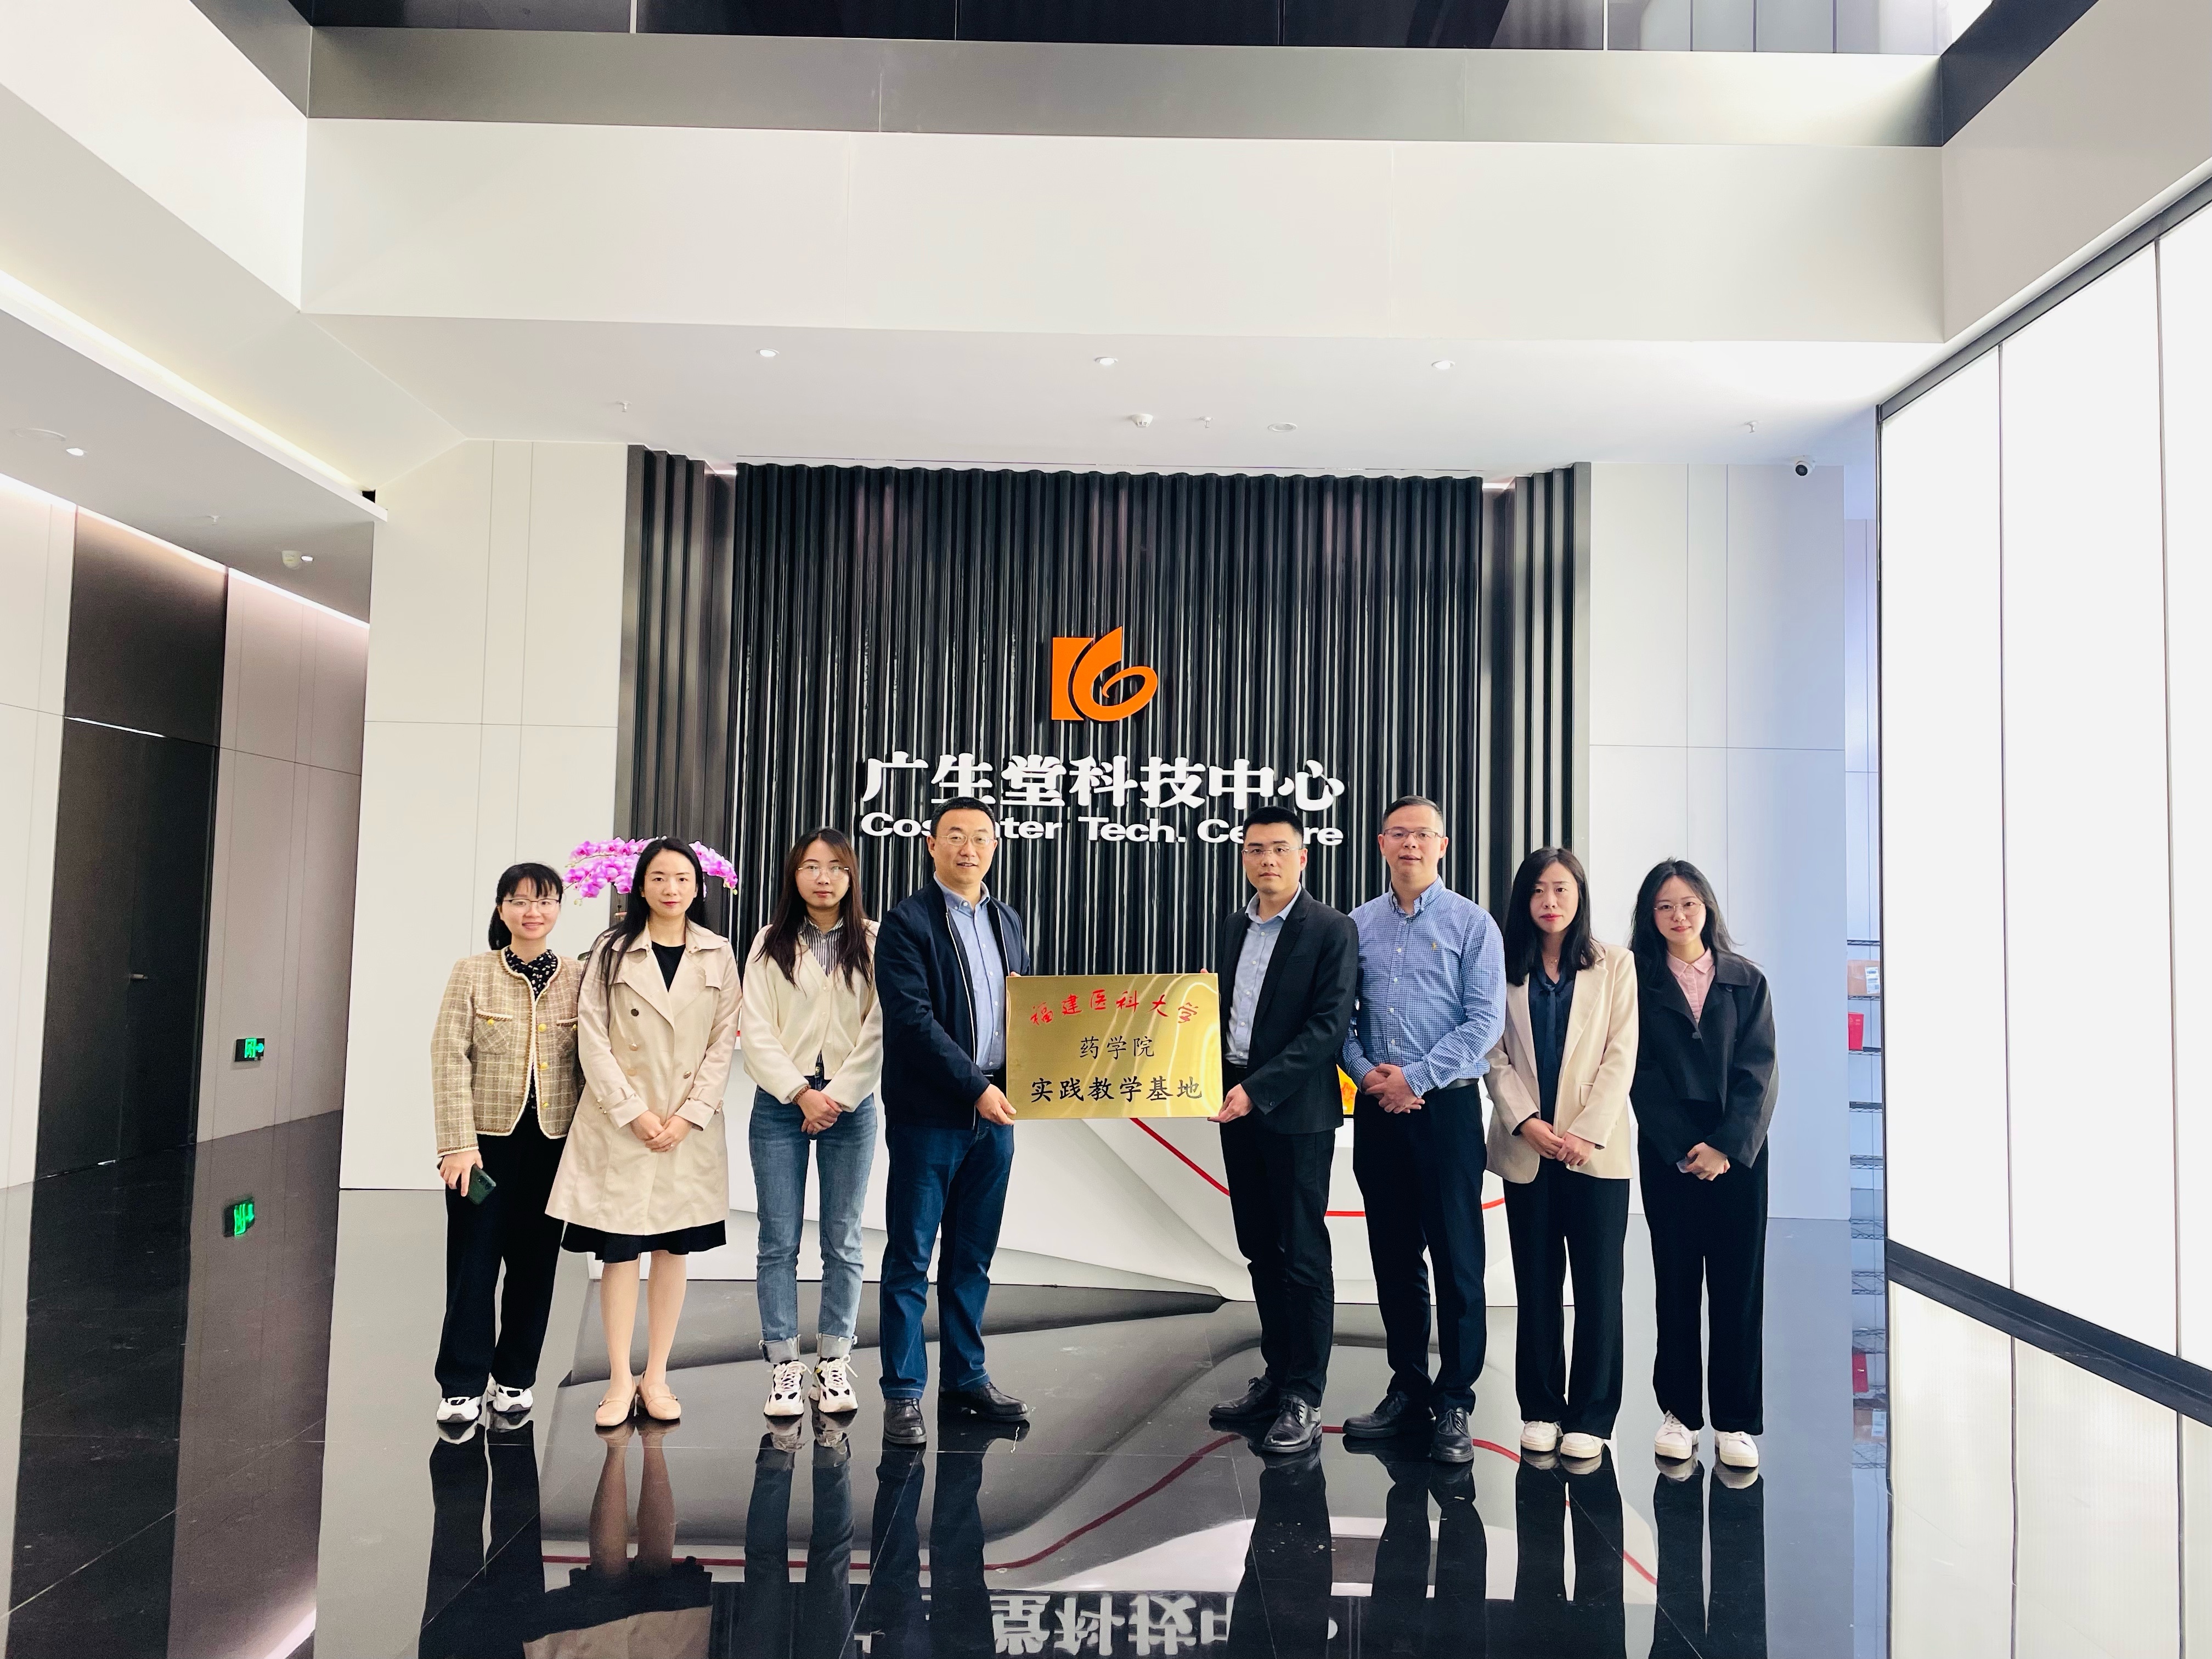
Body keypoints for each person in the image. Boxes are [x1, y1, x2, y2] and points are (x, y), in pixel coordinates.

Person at [549, 838, 742, 1430]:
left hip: (685, 1126)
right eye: (659, 877)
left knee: (672, 1250)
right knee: (619, 1252)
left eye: (682, 878)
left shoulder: (718, 952)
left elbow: (723, 1042)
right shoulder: (611, 951)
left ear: (698, 887)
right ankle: (617, 1379)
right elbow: (592, 1037)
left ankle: (656, 1376)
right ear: (640, 885)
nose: (671, 889)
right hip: (621, 1125)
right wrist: (632, 1110)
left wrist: (689, 1115)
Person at [1340, 795, 1507, 1465]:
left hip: (1448, 1111)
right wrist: (1370, 1077)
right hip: (1379, 1110)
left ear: (1443, 845)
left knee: (1458, 1260)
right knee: (1394, 1256)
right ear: (1381, 843)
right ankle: (1408, 1387)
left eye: (1423, 834)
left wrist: (1417, 1079)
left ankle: (1456, 1401)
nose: (1411, 844)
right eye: (1399, 833)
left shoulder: (1473, 924)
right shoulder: (1357, 925)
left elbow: (1484, 1020)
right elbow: (1341, 1021)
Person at [872, 797, 1034, 1447]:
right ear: (932, 846)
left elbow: (1028, 1012)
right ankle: (903, 1392)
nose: (970, 848)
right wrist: (975, 1089)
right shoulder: (907, 923)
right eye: (956, 836)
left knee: (973, 1256)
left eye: (981, 837)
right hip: (931, 1115)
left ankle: (967, 1377)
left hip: (997, 1114)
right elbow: (912, 1022)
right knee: (911, 1256)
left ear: (995, 846)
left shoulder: (1007, 919)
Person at [1205, 805, 1361, 1455]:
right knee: (1259, 1248)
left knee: (1301, 1254)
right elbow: (1217, 1016)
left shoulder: (1331, 928)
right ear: (1243, 857)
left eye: (1278, 848)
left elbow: (1327, 1028)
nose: (1266, 859)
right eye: (1254, 849)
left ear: (1303, 857)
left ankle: (1305, 1393)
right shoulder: (1233, 926)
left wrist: (1256, 1091)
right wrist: (1209, 1082)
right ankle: (1276, 1375)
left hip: (1294, 1112)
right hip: (1236, 1105)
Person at [1485, 848, 1639, 1462]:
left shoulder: (1616, 965)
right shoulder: (1503, 965)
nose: (1549, 902)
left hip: (1593, 1154)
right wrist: (1525, 1120)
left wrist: (1585, 1132)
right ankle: (1541, 1406)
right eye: (1537, 891)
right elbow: (1492, 1053)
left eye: (1561, 890)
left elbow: (1621, 1054)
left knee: (1600, 1287)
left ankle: (1594, 1415)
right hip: (1529, 1148)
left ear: (1579, 897)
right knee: (1538, 1283)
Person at [1628, 859, 1779, 1472]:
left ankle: (1735, 1422)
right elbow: (1638, 1072)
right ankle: (1680, 1414)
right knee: (1676, 1282)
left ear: (1707, 907)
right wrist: (1683, 1146)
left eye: (1688, 903)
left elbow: (1760, 1072)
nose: (1678, 916)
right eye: (1665, 906)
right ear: (1650, 916)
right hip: (1670, 1154)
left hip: (1738, 1154)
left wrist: (1725, 1146)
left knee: (1739, 1287)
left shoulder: (1747, 980)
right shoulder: (1636, 982)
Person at [428, 862, 584, 1430]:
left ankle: (516, 1376)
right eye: (519, 901)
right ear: (502, 909)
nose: (532, 911)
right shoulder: (472, 972)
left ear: (559, 908)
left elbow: (589, 1063)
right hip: (484, 1149)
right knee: (473, 1261)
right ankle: (462, 1384)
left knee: (536, 1264)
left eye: (544, 901)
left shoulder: (579, 976)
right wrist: (456, 1144)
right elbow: (449, 1057)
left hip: (552, 1145)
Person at [741, 828, 883, 1420]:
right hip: (782, 1104)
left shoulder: (873, 940)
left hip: (852, 1106)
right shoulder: (768, 941)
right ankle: (783, 1365)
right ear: (793, 875)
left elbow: (880, 1028)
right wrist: (802, 1093)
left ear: (852, 876)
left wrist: (838, 1096)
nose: (824, 877)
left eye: (836, 867)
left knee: (843, 1239)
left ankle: (833, 1360)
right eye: (811, 866)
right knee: (778, 1240)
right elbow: (755, 1029)